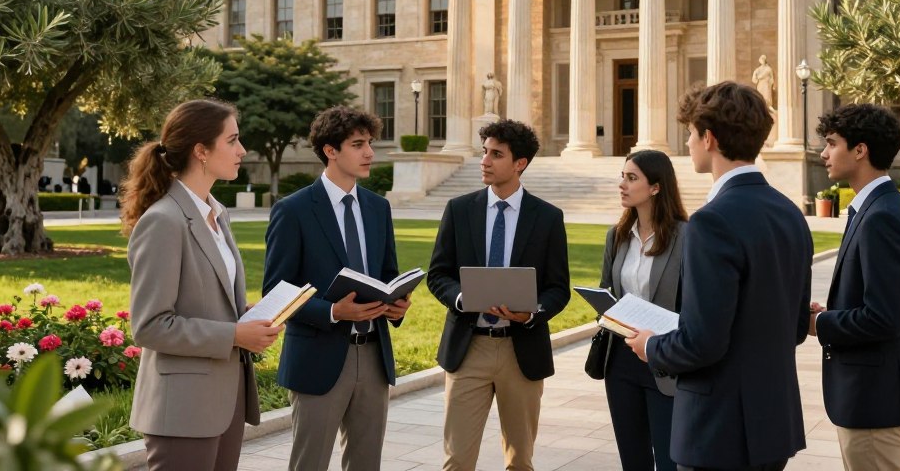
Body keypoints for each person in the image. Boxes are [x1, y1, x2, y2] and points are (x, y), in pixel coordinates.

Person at [628, 81, 812, 471]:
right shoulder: (790, 213)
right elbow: (795, 327)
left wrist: (651, 346)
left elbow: (703, 343)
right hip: (772, 424)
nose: (689, 143)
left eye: (691, 134)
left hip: (719, 429)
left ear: (709, 138)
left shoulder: (712, 221)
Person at [122, 99, 282, 471]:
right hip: (182, 409)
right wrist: (234, 334)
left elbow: (211, 302)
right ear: (201, 151)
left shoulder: (215, 213)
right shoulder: (164, 220)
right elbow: (149, 326)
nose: (242, 150)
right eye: (232, 140)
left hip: (225, 401)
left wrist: (247, 317)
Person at [262, 106, 409, 471]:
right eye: (358, 144)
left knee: (366, 464)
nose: (369, 153)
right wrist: (332, 311)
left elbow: (387, 273)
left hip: (374, 357)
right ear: (330, 150)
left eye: (370, 143)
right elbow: (276, 289)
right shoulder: (293, 210)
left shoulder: (378, 208)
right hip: (318, 358)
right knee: (309, 464)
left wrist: (397, 302)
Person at [427, 119, 570, 471]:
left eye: (496, 154)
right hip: (468, 347)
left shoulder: (548, 217)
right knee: (457, 460)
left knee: (520, 461)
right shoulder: (459, 210)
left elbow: (558, 288)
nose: (484, 161)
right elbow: (438, 274)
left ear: (519, 163)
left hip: (521, 351)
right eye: (484, 152)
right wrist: (462, 298)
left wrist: (533, 311)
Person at [809, 104, 900, 471]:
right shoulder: (877, 208)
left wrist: (821, 325)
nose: (824, 153)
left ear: (860, 150)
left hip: (876, 400)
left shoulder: (882, 217)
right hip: (876, 396)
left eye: (831, 143)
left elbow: (883, 318)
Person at [599, 150, 687, 471]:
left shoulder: (686, 237)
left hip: (664, 361)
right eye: (622, 176)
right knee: (633, 462)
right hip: (620, 362)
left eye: (631, 177)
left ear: (655, 187)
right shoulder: (617, 236)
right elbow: (607, 290)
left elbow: (694, 305)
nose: (622, 184)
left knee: (669, 463)